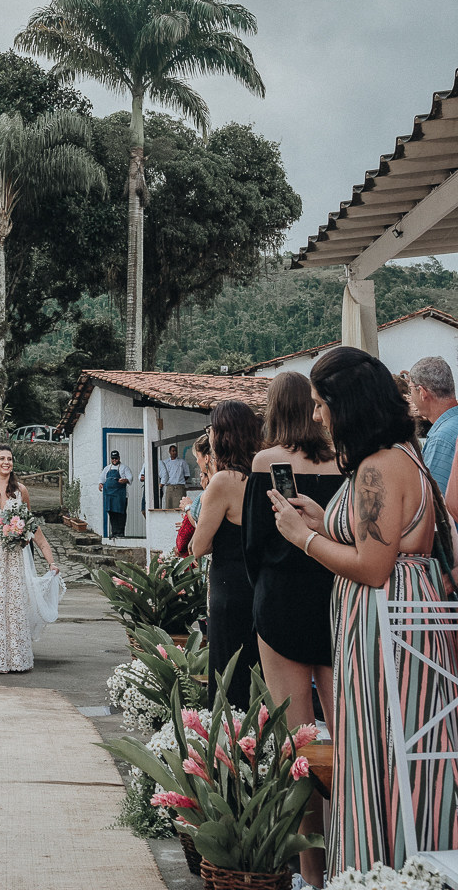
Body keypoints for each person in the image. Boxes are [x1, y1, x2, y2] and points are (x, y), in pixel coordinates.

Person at [270, 347, 458, 877]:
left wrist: (304, 538)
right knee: (397, 749)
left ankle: (383, 869)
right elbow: (382, 541)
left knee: (381, 748)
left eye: (320, 403)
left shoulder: (377, 469)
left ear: (346, 403)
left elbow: (374, 567)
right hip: (396, 623)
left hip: (384, 631)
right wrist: (322, 520)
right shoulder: (404, 455)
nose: (316, 415)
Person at [242, 372, 343, 889]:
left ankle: (311, 875)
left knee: (297, 745)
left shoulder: (267, 462)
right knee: (346, 738)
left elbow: (254, 545)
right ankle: (354, 856)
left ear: (275, 409)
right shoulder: (343, 460)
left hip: (281, 603)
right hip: (335, 603)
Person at [0, 445, 63, 673]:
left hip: (11, 555)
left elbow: (30, 525)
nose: (6, 462)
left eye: (9, 459)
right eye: (2, 458)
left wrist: (51, 562)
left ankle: (8, 657)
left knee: (8, 602)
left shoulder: (21, 490)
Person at [190, 401, 261, 711]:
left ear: (222, 434)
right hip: (259, 583)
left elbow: (199, 546)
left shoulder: (224, 481)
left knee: (228, 680)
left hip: (229, 587)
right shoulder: (263, 473)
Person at [407, 356, 458, 490]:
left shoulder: (440, 439)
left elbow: (435, 498)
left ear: (422, 392)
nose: (410, 396)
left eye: (410, 389)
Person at [99, 450, 132, 538]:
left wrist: (125, 480)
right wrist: (100, 484)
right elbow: (102, 478)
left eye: (116, 458)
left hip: (120, 495)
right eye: (113, 458)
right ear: (111, 458)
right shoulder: (107, 468)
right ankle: (114, 532)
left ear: (119, 458)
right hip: (109, 495)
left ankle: (120, 533)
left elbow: (130, 477)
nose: (114, 460)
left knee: (120, 513)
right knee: (112, 513)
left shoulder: (124, 468)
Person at [159, 443, 191, 508]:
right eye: (173, 451)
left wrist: (179, 480)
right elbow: (162, 475)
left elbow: (187, 474)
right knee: (169, 506)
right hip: (169, 487)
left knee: (179, 506)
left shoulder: (182, 462)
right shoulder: (165, 462)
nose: (175, 452)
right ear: (169, 452)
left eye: (176, 451)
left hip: (179, 487)